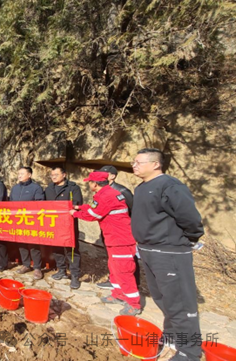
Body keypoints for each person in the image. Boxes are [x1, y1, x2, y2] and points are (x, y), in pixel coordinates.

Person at [131, 148, 203, 361]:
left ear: (155, 164)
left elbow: (190, 218)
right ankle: (172, 336)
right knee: (163, 299)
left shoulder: (170, 186)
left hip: (169, 252)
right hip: (148, 250)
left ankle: (189, 352)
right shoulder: (142, 187)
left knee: (180, 304)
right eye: (134, 162)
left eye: (138, 162)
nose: (134, 165)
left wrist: (190, 239)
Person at [71, 171, 141, 315]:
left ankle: (134, 304)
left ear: (95, 184)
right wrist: (80, 207)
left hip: (120, 240)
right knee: (114, 268)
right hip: (113, 239)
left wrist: (74, 214)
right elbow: (94, 208)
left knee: (124, 271)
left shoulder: (105, 196)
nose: (89, 184)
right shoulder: (108, 193)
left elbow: (93, 215)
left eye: (90, 182)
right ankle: (118, 294)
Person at [96, 165, 140, 290]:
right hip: (108, 230)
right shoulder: (101, 191)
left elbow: (134, 212)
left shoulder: (123, 191)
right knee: (112, 258)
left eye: (105, 174)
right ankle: (114, 280)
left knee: (127, 258)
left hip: (122, 232)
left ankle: (133, 284)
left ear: (113, 176)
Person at [44, 166, 83, 289]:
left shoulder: (73, 188)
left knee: (71, 250)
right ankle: (61, 270)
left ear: (64, 175)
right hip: (53, 224)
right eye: (52, 175)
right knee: (56, 248)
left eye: (56, 174)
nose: (53, 176)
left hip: (68, 224)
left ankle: (75, 275)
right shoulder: (49, 188)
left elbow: (78, 204)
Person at [11, 166, 45, 280]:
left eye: (22, 173)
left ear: (29, 175)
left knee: (33, 245)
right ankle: (26, 265)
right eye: (18, 173)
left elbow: (40, 204)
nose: (19, 175)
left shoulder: (36, 188)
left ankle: (37, 268)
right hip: (18, 221)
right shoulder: (15, 188)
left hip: (31, 222)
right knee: (21, 244)